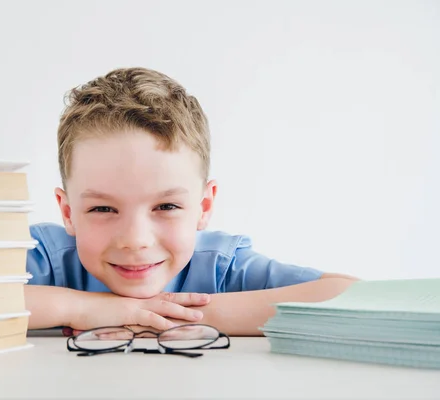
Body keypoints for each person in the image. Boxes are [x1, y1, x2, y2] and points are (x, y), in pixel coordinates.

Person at [24, 67, 357, 336]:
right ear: (68, 213)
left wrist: (176, 315)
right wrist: (84, 308)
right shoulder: (51, 259)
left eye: (166, 206)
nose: (135, 240)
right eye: (103, 209)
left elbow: (353, 297)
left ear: (204, 207)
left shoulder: (220, 266)